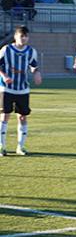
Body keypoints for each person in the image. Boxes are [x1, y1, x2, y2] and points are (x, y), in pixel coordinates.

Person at [0, 25, 42, 156]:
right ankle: (1, 146)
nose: (23, 38)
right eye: (21, 36)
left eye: (25, 36)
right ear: (15, 37)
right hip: (6, 88)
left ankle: (21, 146)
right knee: (4, 116)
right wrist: (4, 76)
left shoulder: (31, 51)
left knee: (23, 117)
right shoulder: (6, 50)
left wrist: (36, 73)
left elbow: (33, 66)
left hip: (23, 89)